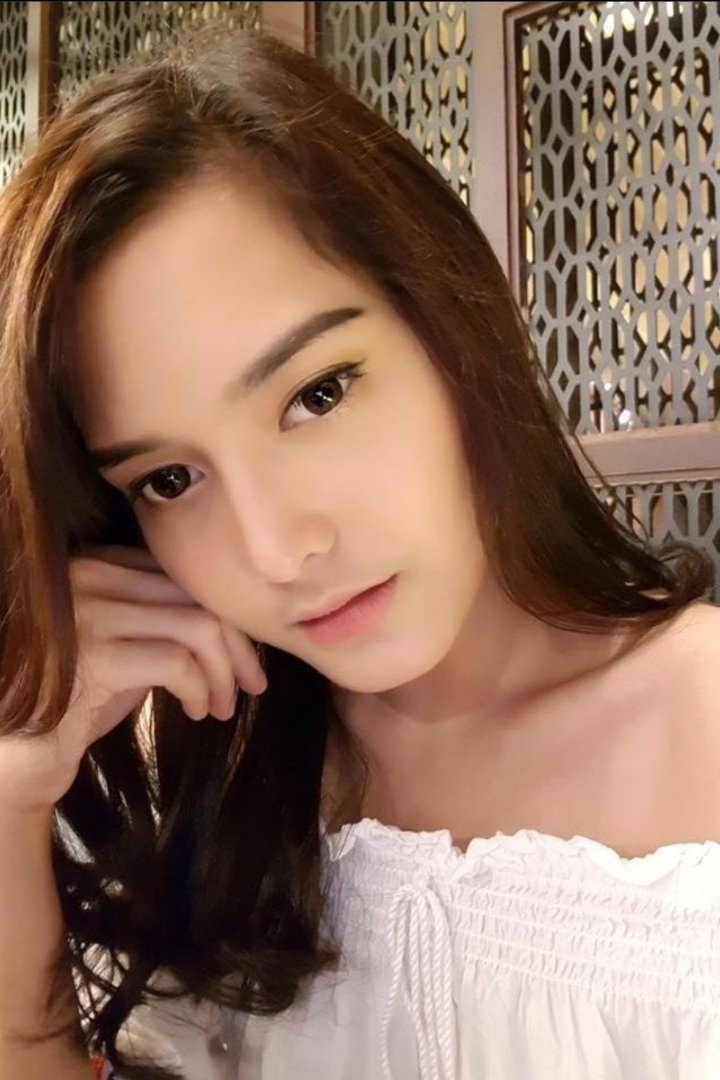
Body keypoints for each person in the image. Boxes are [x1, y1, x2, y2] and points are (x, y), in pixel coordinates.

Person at [0, 26, 719, 1080]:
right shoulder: (197, 767)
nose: (276, 550)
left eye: (318, 394)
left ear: (450, 321)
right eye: (170, 479)